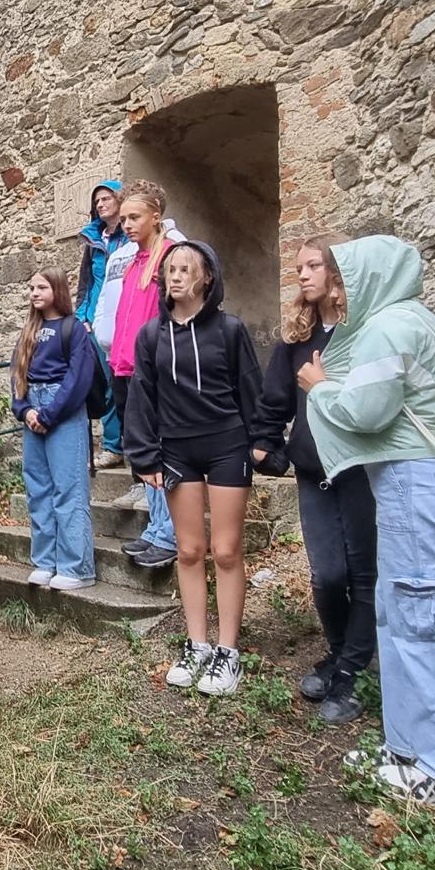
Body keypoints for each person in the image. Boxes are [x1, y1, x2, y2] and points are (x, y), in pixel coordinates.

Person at [302, 235, 435, 806]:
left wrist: (320, 388)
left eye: (345, 280)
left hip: (412, 480)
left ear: (370, 280)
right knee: (402, 612)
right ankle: (407, 748)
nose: (339, 293)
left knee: (427, 614)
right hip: (415, 480)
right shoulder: (421, 320)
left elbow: (366, 411)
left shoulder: (388, 328)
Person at [125, 241, 262, 697]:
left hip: (227, 445)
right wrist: (145, 455)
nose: (176, 275)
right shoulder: (151, 335)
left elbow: (250, 388)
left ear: (207, 278)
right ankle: (197, 645)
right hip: (177, 450)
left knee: (226, 550)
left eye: (186, 269)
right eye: (170, 269)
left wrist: (262, 442)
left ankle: (228, 652)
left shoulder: (230, 329)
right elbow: (142, 396)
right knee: (188, 550)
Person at [252, 236, 375, 725]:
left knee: (363, 573)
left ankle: (351, 673)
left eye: (313, 266)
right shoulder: (297, 339)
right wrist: (267, 444)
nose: (302, 274)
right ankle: (341, 655)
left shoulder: (362, 333)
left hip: (360, 468)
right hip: (313, 471)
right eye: (299, 267)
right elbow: (274, 400)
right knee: (327, 575)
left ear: (337, 273)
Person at [102, 182, 185, 560]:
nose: (127, 225)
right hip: (126, 363)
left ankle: (170, 534)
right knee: (145, 450)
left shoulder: (171, 257)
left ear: (156, 216)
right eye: (124, 219)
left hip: (154, 368)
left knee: (162, 450)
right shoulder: (133, 260)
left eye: (134, 217)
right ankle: (156, 527)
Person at [12, 271, 99, 591]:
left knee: (68, 488)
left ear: (57, 289)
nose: (34, 292)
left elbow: (78, 378)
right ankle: (45, 561)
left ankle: (77, 566)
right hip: (33, 410)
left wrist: (49, 415)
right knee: (38, 490)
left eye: (42, 287)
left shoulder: (73, 329)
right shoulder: (29, 331)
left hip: (63, 413)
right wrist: (25, 410)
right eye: (31, 287)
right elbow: (17, 374)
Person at [72, 180, 127, 468]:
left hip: (125, 318)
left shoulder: (130, 237)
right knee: (106, 384)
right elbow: (86, 283)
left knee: (128, 382)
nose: (101, 204)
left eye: (106, 198)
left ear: (119, 200)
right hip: (97, 321)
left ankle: (138, 445)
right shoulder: (95, 241)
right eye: (97, 201)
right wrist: (82, 317)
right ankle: (113, 445)